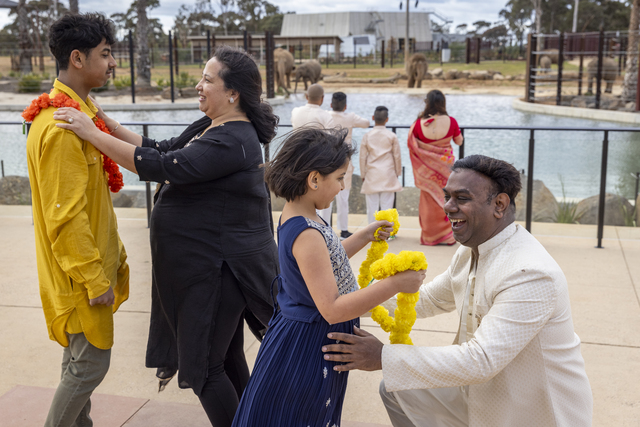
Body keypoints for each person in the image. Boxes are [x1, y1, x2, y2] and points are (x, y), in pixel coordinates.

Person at [54, 46, 279, 427]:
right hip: (208, 269)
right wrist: (106, 124)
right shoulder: (212, 125)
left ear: (233, 93)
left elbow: (163, 166)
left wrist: (91, 134)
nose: (198, 85)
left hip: (218, 272)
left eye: (207, 79)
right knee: (225, 358)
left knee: (204, 369)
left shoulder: (234, 139)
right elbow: (159, 148)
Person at [323, 155, 593, 427]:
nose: (448, 207)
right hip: (481, 395)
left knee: (396, 378)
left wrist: (381, 356)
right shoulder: (470, 251)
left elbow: (481, 360)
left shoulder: (530, 272)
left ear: (499, 205)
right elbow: (427, 300)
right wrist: (345, 302)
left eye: (461, 198)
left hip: (532, 413)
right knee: (397, 391)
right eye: (447, 196)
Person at [230, 128, 426, 427]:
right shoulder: (307, 232)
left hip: (304, 336)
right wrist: (395, 284)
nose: (343, 186)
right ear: (314, 179)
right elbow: (332, 309)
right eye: (340, 178)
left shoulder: (301, 214)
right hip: (309, 343)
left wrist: (363, 236)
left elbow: (325, 263)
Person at [25, 13, 129, 427]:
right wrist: (95, 279)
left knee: (77, 362)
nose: (112, 63)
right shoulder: (63, 129)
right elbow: (65, 218)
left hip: (81, 271)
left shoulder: (78, 118)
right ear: (77, 59)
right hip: (79, 279)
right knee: (89, 365)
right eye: (105, 54)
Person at [408, 89, 463, 246]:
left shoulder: (418, 124)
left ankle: (430, 237)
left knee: (428, 202)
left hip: (427, 171)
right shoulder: (451, 121)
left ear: (427, 103)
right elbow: (459, 141)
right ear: (443, 103)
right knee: (448, 198)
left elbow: (412, 145)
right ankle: (449, 236)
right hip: (446, 168)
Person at [290, 83, 336, 224]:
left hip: (297, 160)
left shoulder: (296, 112)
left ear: (306, 96)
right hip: (318, 161)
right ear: (322, 98)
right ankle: (323, 226)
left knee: (300, 195)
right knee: (323, 197)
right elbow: (331, 141)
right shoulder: (326, 116)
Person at [328, 92, 370, 240]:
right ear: (345, 106)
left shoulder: (326, 116)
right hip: (344, 162)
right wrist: (350, 116)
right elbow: (366, 123)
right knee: (343, 199)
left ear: (331, 104)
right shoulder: (350, 117)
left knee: (324, 197)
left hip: (327, 161)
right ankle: (344, 230)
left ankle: (325, 228)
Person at [360, 106, 402, 225]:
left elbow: (362, 157)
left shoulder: (367, 136)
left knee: (371, 209)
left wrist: (363, 174)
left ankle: (371, 231)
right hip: (388, 174)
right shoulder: (392, 136)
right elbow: (397, 156)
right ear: (387, 119)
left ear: (373, 118)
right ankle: (386, 232)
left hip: (372, 174)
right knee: (387, 208)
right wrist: (398, 172)